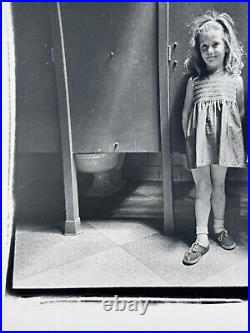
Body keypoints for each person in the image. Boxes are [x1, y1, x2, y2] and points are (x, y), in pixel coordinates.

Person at [182, 11, 246, 265]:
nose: (210, 51)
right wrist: (189, 140)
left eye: (215, 44)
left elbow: (239, 113)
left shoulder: (236, 81)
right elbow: (186, 113)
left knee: (219, 185)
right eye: (204, 46)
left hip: (222, 143)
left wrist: (229, 141)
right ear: (199, 50)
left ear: (226, 46)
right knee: (203, 188)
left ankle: (219, 229)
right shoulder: (194, 81)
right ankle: (202, 238)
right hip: (198, 143)